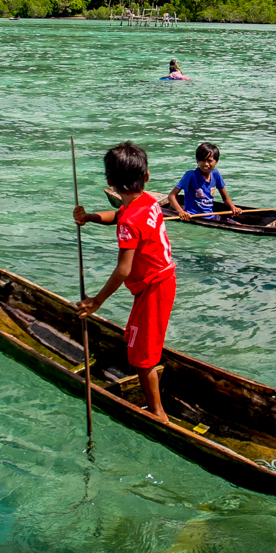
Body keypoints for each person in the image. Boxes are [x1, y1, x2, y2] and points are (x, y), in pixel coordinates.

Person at [72, 141, 176, 423]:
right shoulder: (148, 202)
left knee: (142, 360)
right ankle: (155, 405)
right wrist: (90, 217)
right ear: (147, 177)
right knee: (137, 342)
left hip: (154, 286)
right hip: (157, 283)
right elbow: (118, 215)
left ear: (110, 183)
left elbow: (122, 270)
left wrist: (96, 301)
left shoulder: (131, 220)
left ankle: (158, 414)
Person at [168, 142, 241, 217]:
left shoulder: (216, 174)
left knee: (238, 224)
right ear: (197, 160)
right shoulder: (191, 175)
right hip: (193, 216)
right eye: (203, 160)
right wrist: (181, 212)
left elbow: (225, 197)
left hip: (211, 215)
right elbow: (171, 196)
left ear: (216, 162)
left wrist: (233, 207)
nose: (206, 164)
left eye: (210, 160)